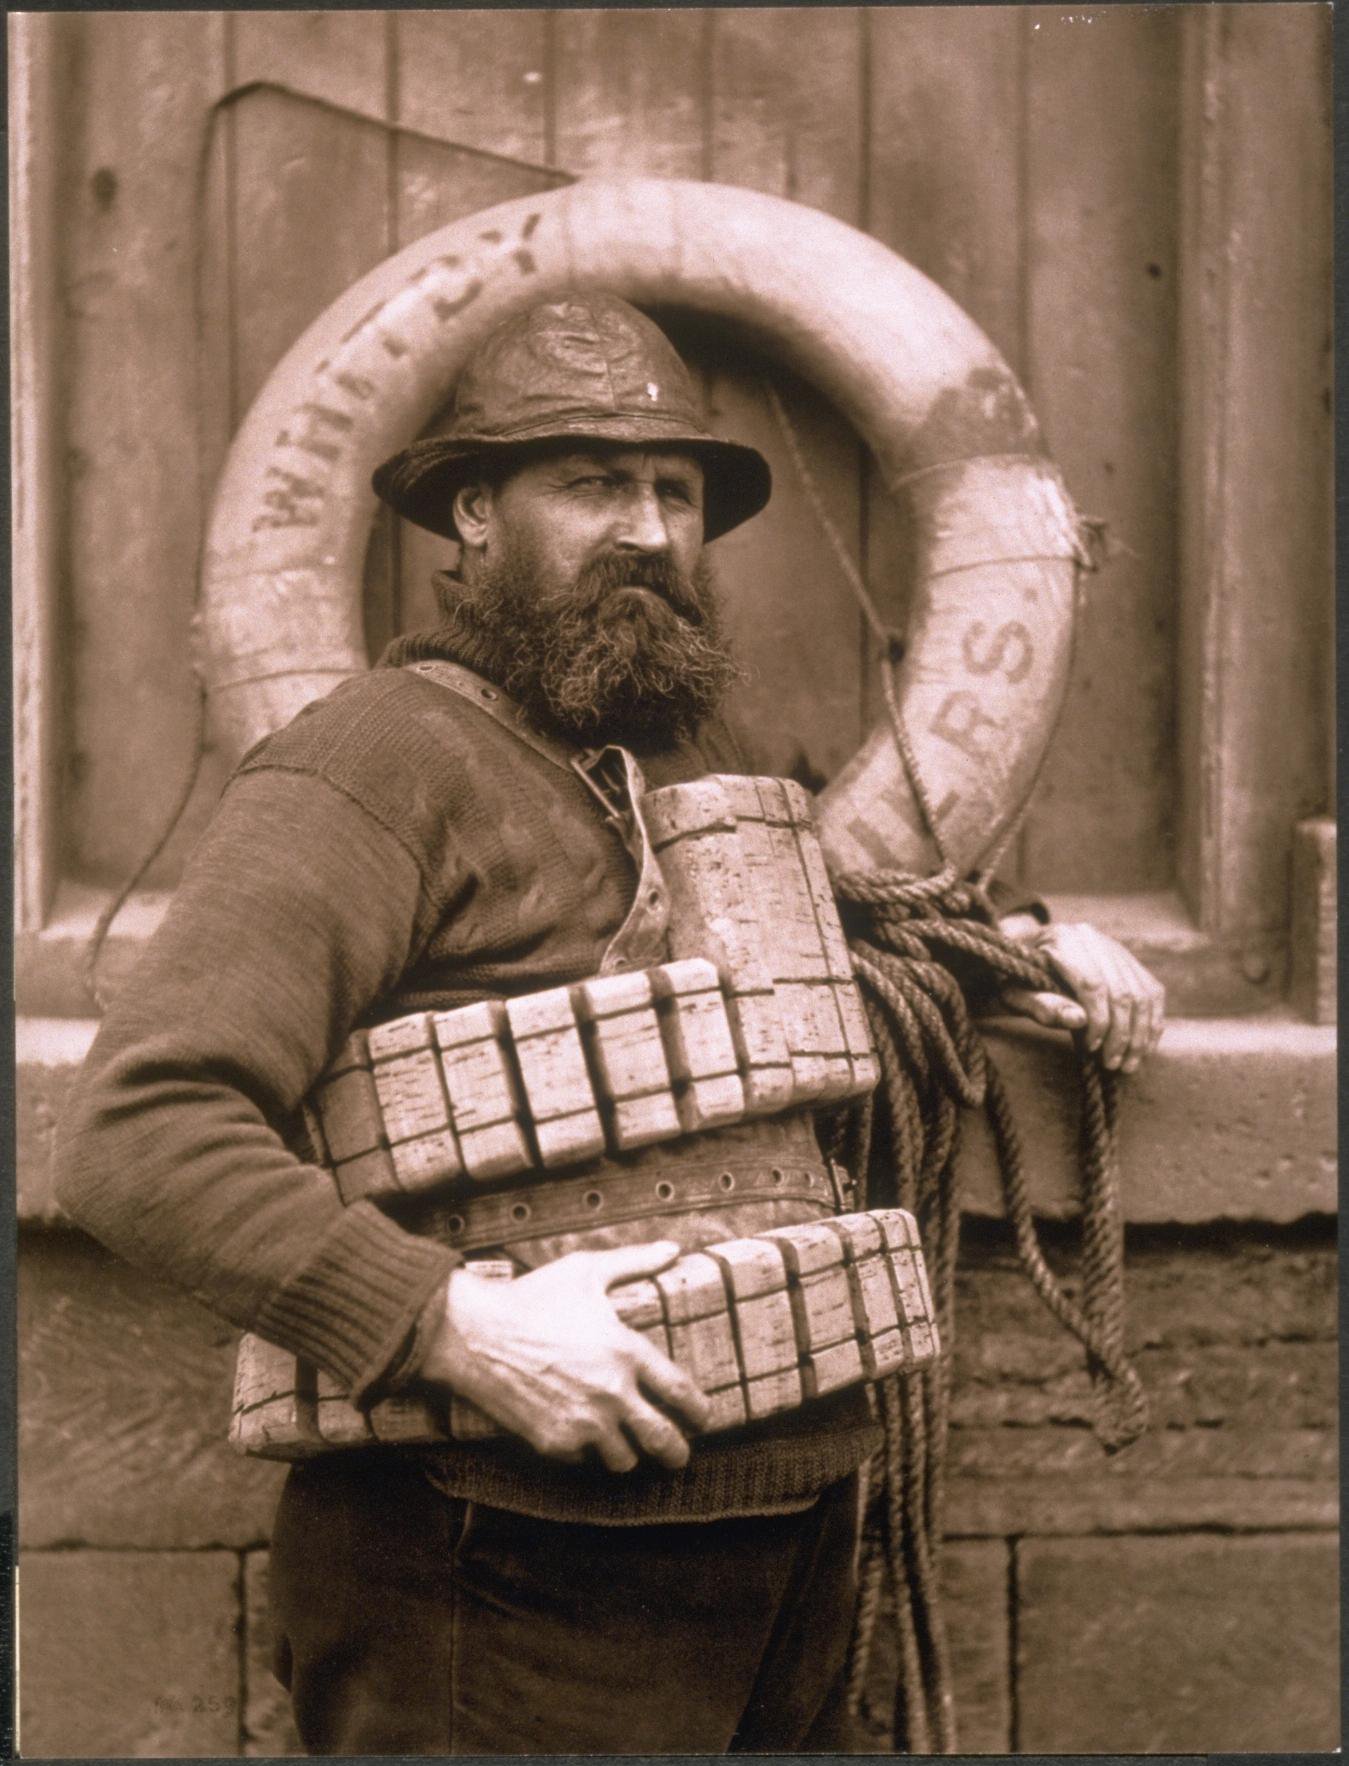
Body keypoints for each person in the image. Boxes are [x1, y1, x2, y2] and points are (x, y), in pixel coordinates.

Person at [56, 293, 1164, 1756]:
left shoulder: (682, 755)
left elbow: (845, 947)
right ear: (470, 511)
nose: (644, 526)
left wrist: (1017, 949)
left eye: (674, 490)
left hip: (782, 1548)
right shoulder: (366, 767)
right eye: (589, 483)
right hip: (501, 1564)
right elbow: (137, 1129)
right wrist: (450, 1324)